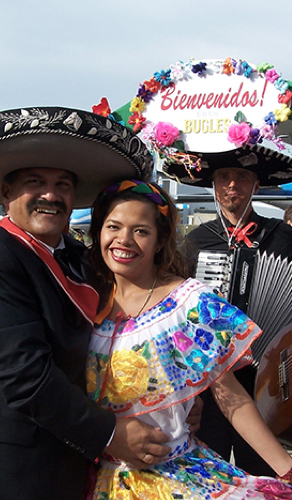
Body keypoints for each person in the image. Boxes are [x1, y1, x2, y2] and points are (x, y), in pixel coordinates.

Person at [85, 179, 292, 499]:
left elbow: (232, 398)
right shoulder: (84, 298)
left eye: (141, 230)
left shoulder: (190, 304)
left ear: (160, 241)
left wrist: (289, 469)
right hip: (92, 477)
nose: (124, 240)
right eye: (113, 226)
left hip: (169, 480)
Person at [0, 106, 169, 499]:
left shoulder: (81, 258)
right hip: (25, 470)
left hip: (82, 463)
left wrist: (170, 402)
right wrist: (111, 432)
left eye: (63, 184)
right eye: (35, 182)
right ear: (5, 192)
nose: (50, 195)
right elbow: (26, 378)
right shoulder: (5, 256)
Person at [166, 143, 292, 476]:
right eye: (224, 177)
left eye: (241, 177)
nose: (232, 185)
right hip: (213, 379)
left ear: (256, 185)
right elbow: (183, 308)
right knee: (212, 471)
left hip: (263, 376)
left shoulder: (280, 235)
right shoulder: (198, 239)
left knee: (262, 471)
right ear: (213, 185)